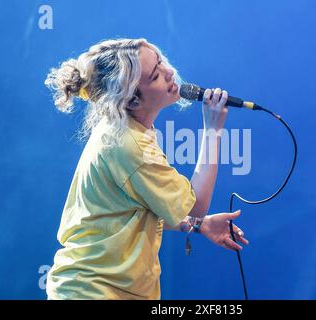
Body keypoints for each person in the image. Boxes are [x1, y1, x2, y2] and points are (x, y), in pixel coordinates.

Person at [44, 38, 249, 300]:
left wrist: (197, 226)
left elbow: (130, 210)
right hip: (94, 291)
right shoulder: (130, 145)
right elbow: (196, 204)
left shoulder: (126, 133)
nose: (168, 73)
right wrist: (212, 131)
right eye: (155, 76)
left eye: (161, 62)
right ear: (132, 102)